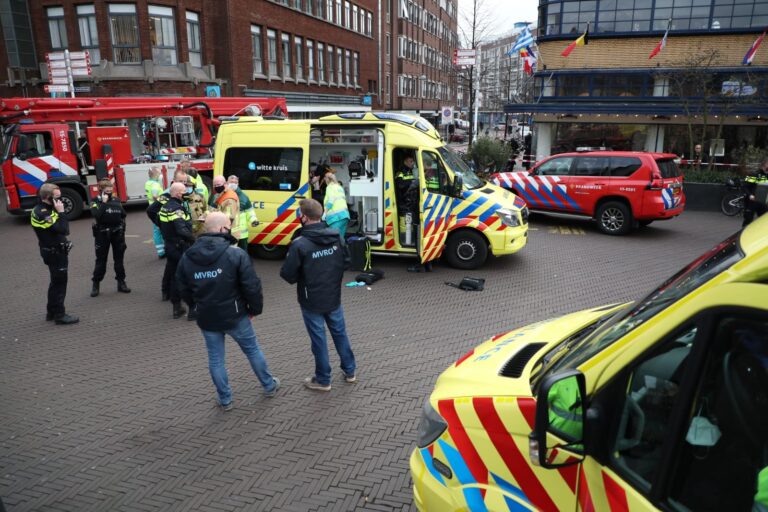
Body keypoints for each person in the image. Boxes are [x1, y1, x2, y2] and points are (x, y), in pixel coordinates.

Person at [176, 212, 280, 411]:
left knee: (216, 359)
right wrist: (254, 309)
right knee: (252, 350)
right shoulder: (235, 254)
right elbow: (251, 285)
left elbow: (182, 287)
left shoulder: (188, 256)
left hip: (207, 316)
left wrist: (195, 306)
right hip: (235, 315)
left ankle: (225, 399)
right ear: (223, 229)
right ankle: (268, 385)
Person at [280, 198, 356, 392]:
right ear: (320, 215)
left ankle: (323, 379)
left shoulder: (300, 244)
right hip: (333, 295)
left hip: (311, 299)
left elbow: (288, 275)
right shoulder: (336, 236)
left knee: (319, 339)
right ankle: (350, 371)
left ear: (303, 217)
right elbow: (347, 262)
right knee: (340, 333)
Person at [31, 184, 78, 325]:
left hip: (54, 251)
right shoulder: (43, 213)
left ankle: (51, 311)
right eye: (56, 197)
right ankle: (60, 315)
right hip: (54, 253)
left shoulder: (46, 208)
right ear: (47, 197)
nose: (60, 201)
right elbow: (63, 230)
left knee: (55, 282)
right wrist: (62, 212)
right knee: (60, 284)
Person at [159, 182, 196, 319]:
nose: (186, 193)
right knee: (188, 277)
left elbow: (160, 222)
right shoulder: (177, 209)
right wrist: (194, 240)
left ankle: (176, 308)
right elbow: (181, 230)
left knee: (175, 276)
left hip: (170, 246)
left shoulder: (165, 207)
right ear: (177, 193)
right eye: (183, 191)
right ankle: (193, 310)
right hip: (180, 247)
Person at [90, 179, 130, 297]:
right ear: (101, 191)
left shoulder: (116, 200)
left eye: (110, 190)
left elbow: (123, 214)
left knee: (119, 260)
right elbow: (96, 215)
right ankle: (96, 284)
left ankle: (121, 282)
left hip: (117, 233)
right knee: (101, 260)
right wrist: (104, 203)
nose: (109, 193)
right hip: (102, 234)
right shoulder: (95, 201)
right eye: (107, 191)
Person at [404, 174, 433, 273]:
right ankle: (428, 263)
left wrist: (409, 210)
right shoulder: (429, 182)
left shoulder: (416, 184)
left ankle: (420, 264)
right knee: (426, 237)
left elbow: (409, 199)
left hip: (418, 214)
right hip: (428, 214)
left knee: (418, 239)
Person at [227, 175, 259, 251]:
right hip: (227, 232)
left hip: (242, 235)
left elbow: (250, 212)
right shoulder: (223, 195)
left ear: (238, 184)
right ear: (227, 182)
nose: (233, 184)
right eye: (231, 182)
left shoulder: (244, 197)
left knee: (242, 254)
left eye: (235, 182)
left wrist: (254, 220)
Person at [145, 166, 165, 258]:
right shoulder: (155, 185)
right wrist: (166, 200)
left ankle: (160, 250)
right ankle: (162, 251)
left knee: (156, 230)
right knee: (161, 229)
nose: (161, 174)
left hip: (152, 208)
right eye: (160, 172)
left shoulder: (148, 183)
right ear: (156, 174)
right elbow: (155, 196)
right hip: (159, 210)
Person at [323, 172, 350, 238]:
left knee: (333, 239)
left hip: (336, 218)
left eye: (324, 178)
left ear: (327, 179)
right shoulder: (339, 187)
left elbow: (331, 201)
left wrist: (325, 213)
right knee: (340, 239)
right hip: (345, 216)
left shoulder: (330, 187)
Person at [743, 160, 768, 227]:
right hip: (751, 202)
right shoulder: (754, 174)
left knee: (764, 221)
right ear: (764, 165)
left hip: (763, 202)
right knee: (748, 221)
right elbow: (745, 186)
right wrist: (750, 195)